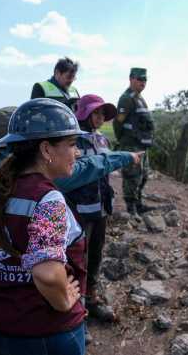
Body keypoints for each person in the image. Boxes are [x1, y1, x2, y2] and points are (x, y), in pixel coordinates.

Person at [0, 99, 141, 355]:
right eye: (71, 145)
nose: (77, 152)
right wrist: (63, 302)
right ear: (46, 150)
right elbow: (47, 274)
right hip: (45, 334)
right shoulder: (49, 201)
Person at [65, 95, 118, 322]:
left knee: (95, 254)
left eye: (103, 114)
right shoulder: (73, 141)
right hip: (79, 210)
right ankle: (75, 309)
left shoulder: (103, 140)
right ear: (84, 113)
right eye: (96, 113)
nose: (100, 118)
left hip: (100, 210)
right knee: (78, 258)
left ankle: (91, 298)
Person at [113, 67, 155, 215]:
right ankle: (131, 209)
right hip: (131, 144)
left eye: (145, 79)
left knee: (143, 176)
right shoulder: (127, 98)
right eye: (139, 79)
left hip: (142, 144)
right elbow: (118, 122)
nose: (143, 82)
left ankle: (138, 205)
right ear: (131, 78)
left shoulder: (139, 98)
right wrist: (123, 141)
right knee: (132, 176)